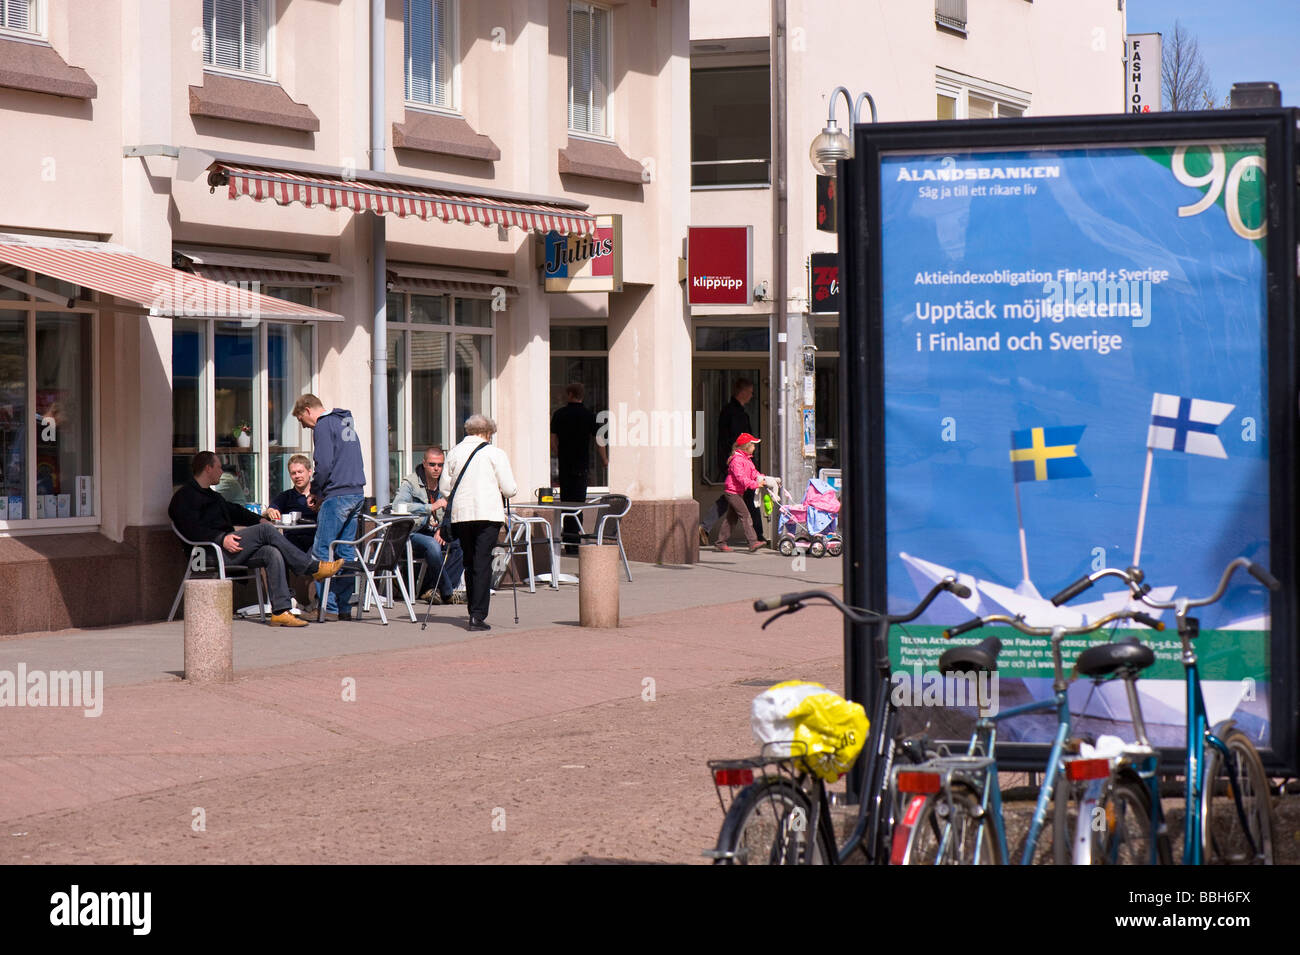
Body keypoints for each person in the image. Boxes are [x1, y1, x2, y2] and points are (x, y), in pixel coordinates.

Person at [168, 451, 343, 627]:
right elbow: (191, 529)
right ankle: (312, 567)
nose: (222, 472)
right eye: (219, 467)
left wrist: (259, 519)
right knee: (265, 531)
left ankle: (280, 611)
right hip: (209, 553)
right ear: (208, 468)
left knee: (271, 552)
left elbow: (236, 511)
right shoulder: (184, 497)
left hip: (229, 549)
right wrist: (220, 538)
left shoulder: (213, 496)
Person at [439, 414, 517, 632]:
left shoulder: (454, 453)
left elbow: (445, 489)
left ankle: (473, 610)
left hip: (461, 516)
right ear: (488, 433)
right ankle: (477, 615)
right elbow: (510, 489)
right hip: (488, 515)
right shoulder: (495, 453)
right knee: (482, 563)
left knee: (469, 561)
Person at [293, 394, 366, 621]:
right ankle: (343, 608)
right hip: (356, 491)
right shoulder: (344, 421)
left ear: (307, 410)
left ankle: (327, 608)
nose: (305, 426)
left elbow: (323, 464)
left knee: (321, 552)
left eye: (301, 420)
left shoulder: (323, 425)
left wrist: (316, 490)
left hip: (338, 495)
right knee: (344, 553)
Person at [394, 446, 466, 605]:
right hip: (413, 533)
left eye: (440, 465)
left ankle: (433, 590)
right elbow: (398, 506)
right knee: (433, 546)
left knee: (461, 543)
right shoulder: (411, 482)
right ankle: (447, 593)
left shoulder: (446, 484)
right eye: (432, 464)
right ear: (424, 463)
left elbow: (452, 510)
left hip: (436, 531)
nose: (437, 469)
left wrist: (442, 529)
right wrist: (429, 507)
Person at [550, 382, 608, 554]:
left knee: (566, 503)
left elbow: (553, 439)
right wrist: (604, 459)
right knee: (578, 504)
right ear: (582, 395)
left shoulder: (559, 414)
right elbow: (599, 440)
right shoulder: (589, 415)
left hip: (565, 465)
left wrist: (559, 453)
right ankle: (575, 542)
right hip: (582, 465)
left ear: (570, 394)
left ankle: (568, 540)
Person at [708, 378, 766, 546]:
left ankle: (717, 537)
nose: (752, 396)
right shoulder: (735, 414)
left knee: (733, 512)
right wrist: (755, 482)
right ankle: (756, 538)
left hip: (735, 465)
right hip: (735, 466)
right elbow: (736, 439)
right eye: (751, 392)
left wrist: (758, 475)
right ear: (743, 392)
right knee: (745, 508)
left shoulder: (732, 411)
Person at [713, 433, 769, 553]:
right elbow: (741, 478)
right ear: (746, 446)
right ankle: (753, 542)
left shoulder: (746, 459)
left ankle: (720, 542)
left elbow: (754, 473)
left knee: (731, 519)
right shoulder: (737, 460)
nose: (754, 447)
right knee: (745, 515)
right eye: (753, 445)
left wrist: (765, 479)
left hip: (737, 492)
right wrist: (755, 484)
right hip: (732, 492)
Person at [265, 453, 317, 552]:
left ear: (309, 472)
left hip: (316, 541)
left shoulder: (320, 496)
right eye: (293, 473)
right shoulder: (286, 496)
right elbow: (271, 508)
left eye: (300, 472)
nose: (297, 476)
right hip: (293, 543)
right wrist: (271, 511)